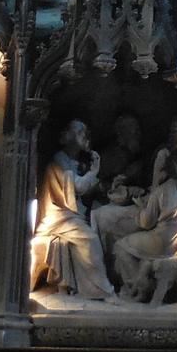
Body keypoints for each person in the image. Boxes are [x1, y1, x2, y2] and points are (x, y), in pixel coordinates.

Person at [32, 121, 120, 301]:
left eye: (85, 131)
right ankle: (103, 291)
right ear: (67, 137)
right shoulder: (60, 160)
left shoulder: (72, 162)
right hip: (58, 217)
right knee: (90, 240)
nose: (84, 135)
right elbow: (77, 187)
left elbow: (83, 189)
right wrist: (94, 171)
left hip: (71, 215)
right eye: (79, 131)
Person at [115, 156, 177, 303]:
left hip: (161, 243)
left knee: (120, 246)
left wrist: (140, 206)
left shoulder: (163, 190)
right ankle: (143, 280)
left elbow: (145, 222)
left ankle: (139, 288)